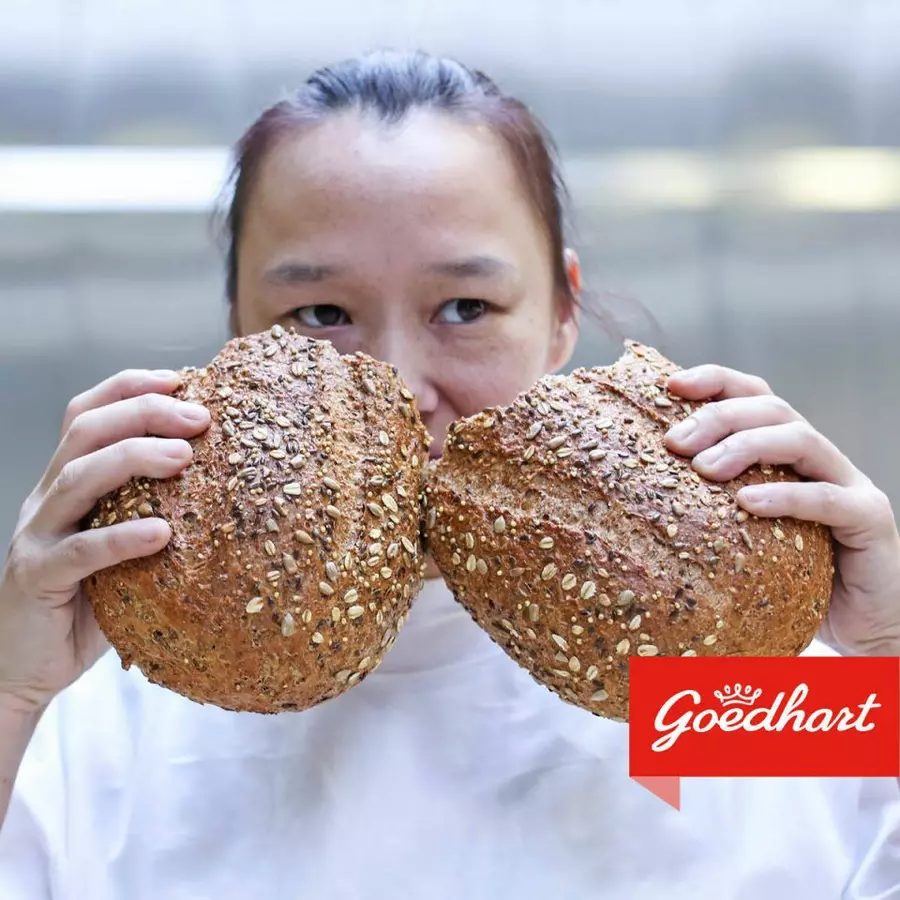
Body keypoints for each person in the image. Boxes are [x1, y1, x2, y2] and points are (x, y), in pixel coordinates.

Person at [1, 50, 899, 899]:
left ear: (561, 315)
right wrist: (13, 694)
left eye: (466, 307)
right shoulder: (105, 705)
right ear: (240, 331)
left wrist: (885, 650)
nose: (401, 386)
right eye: (320, 313)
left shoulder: (724, 679)